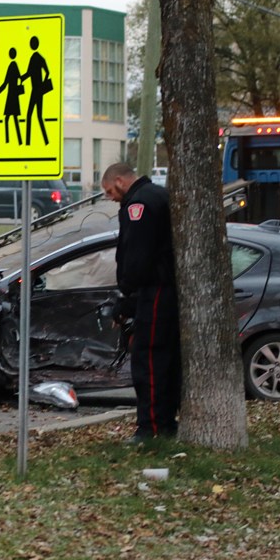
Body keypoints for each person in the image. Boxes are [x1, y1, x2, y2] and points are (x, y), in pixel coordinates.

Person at [101, 162, 180, 442]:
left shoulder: (140, 205)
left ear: (120, 181)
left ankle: (152, 428)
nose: (110, 198)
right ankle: (165, 423)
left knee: (149, 360)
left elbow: (136, 254)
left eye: (110, 191)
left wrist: (125, 295)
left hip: (155, 289)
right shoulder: (158, 194)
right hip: (163, 287)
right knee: (165, 360)